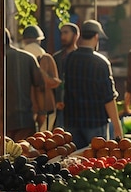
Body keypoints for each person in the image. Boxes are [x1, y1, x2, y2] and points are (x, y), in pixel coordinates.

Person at [63, 20, 123, 149]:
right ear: (96, 37)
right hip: (95, 122)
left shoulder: (69, 59)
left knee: (74, 161)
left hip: (72, 121)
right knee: (96, 161)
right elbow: (108, 97)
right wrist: (117, 127)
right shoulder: (101, 63)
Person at [21, 25, 61, 131]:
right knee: (44, 139)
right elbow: (55, 82)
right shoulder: (45, 58)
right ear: (39, 40)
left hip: (26, 107)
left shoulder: (20, 59)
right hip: (44, 107)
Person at [53, 22, 80, 128]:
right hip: (60, 107)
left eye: (66, 33)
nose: (63, 36)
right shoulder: (57, 57)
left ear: (75, 35)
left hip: (77, 106)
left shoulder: (80, 57)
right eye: (61, 33)